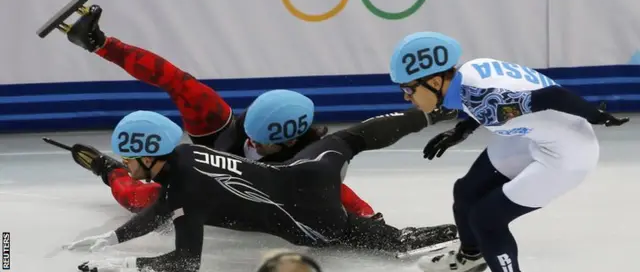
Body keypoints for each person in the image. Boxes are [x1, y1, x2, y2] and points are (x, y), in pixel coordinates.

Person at [58, 4, 382, 219]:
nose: (252, 143)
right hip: (218, 145)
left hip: (231, 188)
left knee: (140, 200)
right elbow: (170, 77)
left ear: (285, 144)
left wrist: (371, 221)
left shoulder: (309, 163)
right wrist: (102, 45)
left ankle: (109, 169)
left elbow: (340, 193)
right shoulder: (244, 127)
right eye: (249, 134)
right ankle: (97, 41)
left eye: (260, 143)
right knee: (184, 87)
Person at [68, 108, 459, 272]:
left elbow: (186, 261)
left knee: (399, 241)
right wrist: (114, 236)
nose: (128, 166)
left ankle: (465, 238)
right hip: (306, 174)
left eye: (128, 159)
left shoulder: (183, 191)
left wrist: (127, 263)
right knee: (352, 137)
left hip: (310, 222)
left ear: (151, 154)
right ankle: (430, 113)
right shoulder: (186, 155)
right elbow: (158, 213)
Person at [387, 31, 630, 272]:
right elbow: (495, 100)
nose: (407, 97)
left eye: (408, 89)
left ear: (436, 82)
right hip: (539, 135)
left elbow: (552, 96)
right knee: (466, 191)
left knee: (487, 219)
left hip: (570, 154)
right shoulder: (472, 71)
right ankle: (472, 257)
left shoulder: (486, 102)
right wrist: (462, 129)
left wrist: (597, 117)